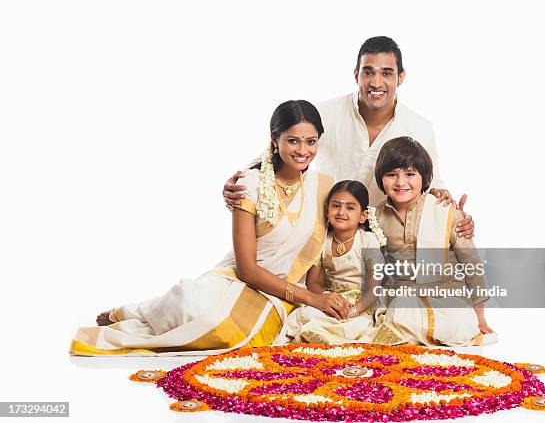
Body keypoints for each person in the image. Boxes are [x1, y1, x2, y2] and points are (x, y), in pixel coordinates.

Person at [70, 100, 354, 356]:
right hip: (241, 278)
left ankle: (147, 311)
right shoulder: (249, 184)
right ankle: (140, 311)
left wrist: (316, 295)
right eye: (293, 141)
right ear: (274, 139)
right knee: (193, 303)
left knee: (229, 333)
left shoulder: (324, 187)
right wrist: (311, 298)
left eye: (310, 141)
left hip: (283, 291)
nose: (303, 150)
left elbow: (315, 251)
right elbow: (247, 269)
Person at [223, 36, 474, 238]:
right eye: (368, 72)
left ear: (401, 77)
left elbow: (431, 185)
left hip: (384, 239)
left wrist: (456, 222)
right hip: (322, 228)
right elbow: (280, 150)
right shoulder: (325, 113)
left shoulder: (420, 127)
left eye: (386, 73)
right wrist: (243, 179)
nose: (376, 82)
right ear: (356, 75)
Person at [370, 137, 497, 347]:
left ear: (425, 176)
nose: (401, 182)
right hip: (403, 298)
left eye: (410, 174)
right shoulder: (375, 216)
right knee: (398, 317)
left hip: (446, 295)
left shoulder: (445, 211)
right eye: (391, 175)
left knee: (460, 325)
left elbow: (472, 265)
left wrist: (480, 318)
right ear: (380, 178)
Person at [286, 180, 386, 344]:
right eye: (336, 206)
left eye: (350, 207)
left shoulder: (368, 241)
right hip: (331, 299)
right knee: (306, 315)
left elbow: (374, 290)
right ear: (327, 210)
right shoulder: (322, 240)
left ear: (363, 216)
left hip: (361, 303)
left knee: (354, 326)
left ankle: (337, 338)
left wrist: (353, 311)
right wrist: (327, 299)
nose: (341, 212)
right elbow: (313, 282)